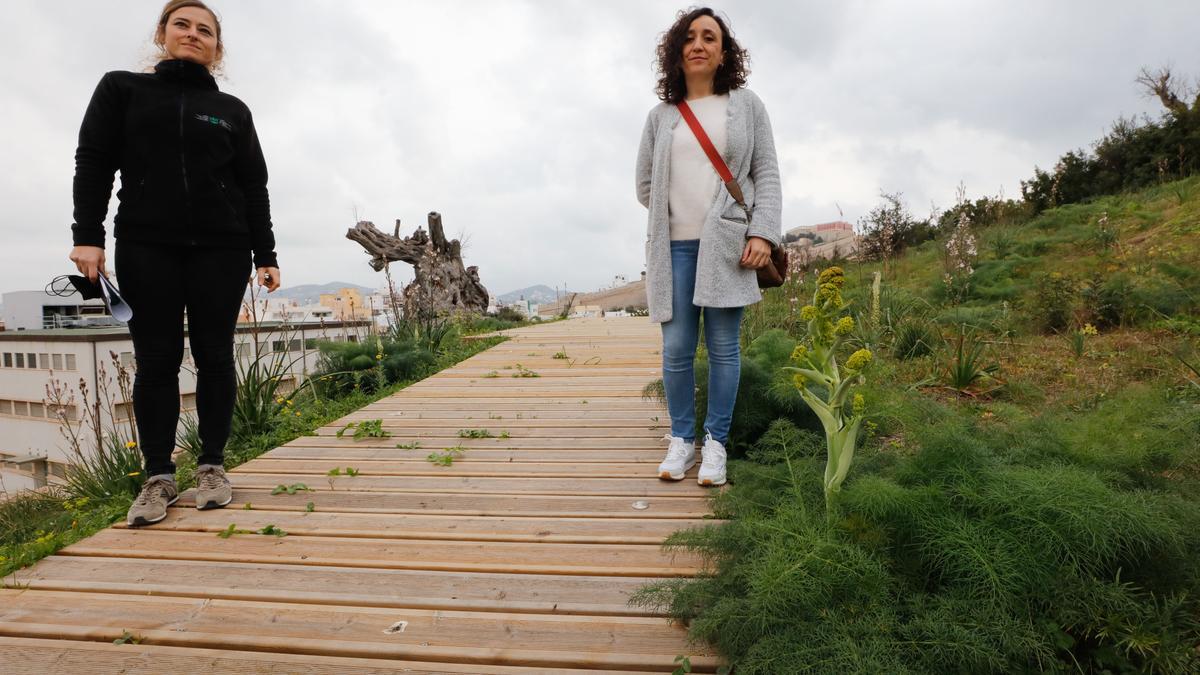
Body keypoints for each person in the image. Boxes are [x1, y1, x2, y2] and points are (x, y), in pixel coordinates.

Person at [68, 0, 280, 526]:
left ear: (217, 47)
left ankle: (212, 466)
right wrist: (86, 237)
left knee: (215, 356)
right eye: (182, 25)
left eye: (204, 30)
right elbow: (93, 160)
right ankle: (158, 476)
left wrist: (266, 253)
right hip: (146, 244)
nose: (193, 34)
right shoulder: (123, 89)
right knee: (156, 361)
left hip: (222, 248)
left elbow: (254, 185)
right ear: (162, 33)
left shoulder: (232, 110)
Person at [636, 8, 781, 487]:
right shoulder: (661, 117)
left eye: (709, 37)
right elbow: (644, 185)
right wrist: (671, 212)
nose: (699, 44)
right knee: (676, 350)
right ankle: (682, 440)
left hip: (729, 247)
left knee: (723, 349)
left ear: (723, 52)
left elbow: (767, 175)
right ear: (677, 51)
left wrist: (760, 231)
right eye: (690, 37)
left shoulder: (746, 105)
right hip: (673, 248)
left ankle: (715, 444)